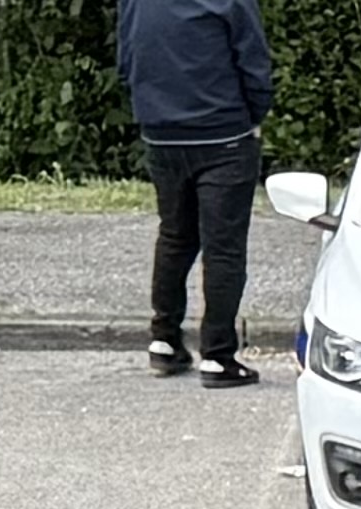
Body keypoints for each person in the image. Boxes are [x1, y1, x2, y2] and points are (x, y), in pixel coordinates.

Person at [120, 0, 277, 388]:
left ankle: (164, 339)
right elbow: (253, 60)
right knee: (222, 247)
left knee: (175, 235)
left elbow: (127, 57)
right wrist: (254, 115)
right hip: (223, 131)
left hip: (160, 129)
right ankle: (218, 355)